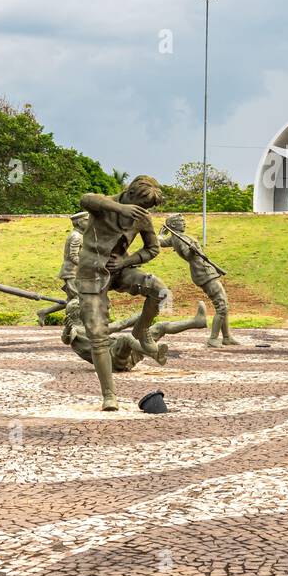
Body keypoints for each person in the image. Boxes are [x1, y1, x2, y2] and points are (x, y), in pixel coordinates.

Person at [75, 176, 169, 410]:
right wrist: (120, 208)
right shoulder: (104, 205)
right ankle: (109, 395)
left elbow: (152, 248)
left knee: (159, 290)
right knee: (97, 334)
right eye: (140, 206)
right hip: (92, 275)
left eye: (146, 209)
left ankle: (141, 330)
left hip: (120, 271)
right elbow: (85, 199)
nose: (142, 212)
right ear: (130, 195)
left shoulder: (143, 218)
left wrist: (128, 260)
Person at [160, 213, 237, 347]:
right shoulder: (179, 239)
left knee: (223, 304)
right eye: (180, 221)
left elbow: (159, 242)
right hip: (204, 274)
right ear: (173, 225)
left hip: (203, 272)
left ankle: (226, 336)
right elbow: (187, 255)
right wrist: (192, 251)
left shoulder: (174, 238)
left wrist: (161, 234)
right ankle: (213, 338)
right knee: (222, 306)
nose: (184, 223)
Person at [64, 300, 208, 371]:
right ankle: (155, 353)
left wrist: (147, 312)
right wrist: (66, 331)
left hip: (126, 355)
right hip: (112, 360)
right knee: (126, 338)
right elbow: (67, 338)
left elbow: (122, 323)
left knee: (159, 327)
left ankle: (197, 321)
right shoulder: (75, 329)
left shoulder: (93, 325)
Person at [38, 211, 89, 327]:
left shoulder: (80, 235)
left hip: (75, 272)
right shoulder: (76, 237)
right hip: (71, 272)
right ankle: (78, 325)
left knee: (71, 300)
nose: (89, 222)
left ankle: (43, 312)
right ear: (79, 223)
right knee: (79, 299)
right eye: (86, 220)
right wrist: (86, 266)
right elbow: (73, 256)